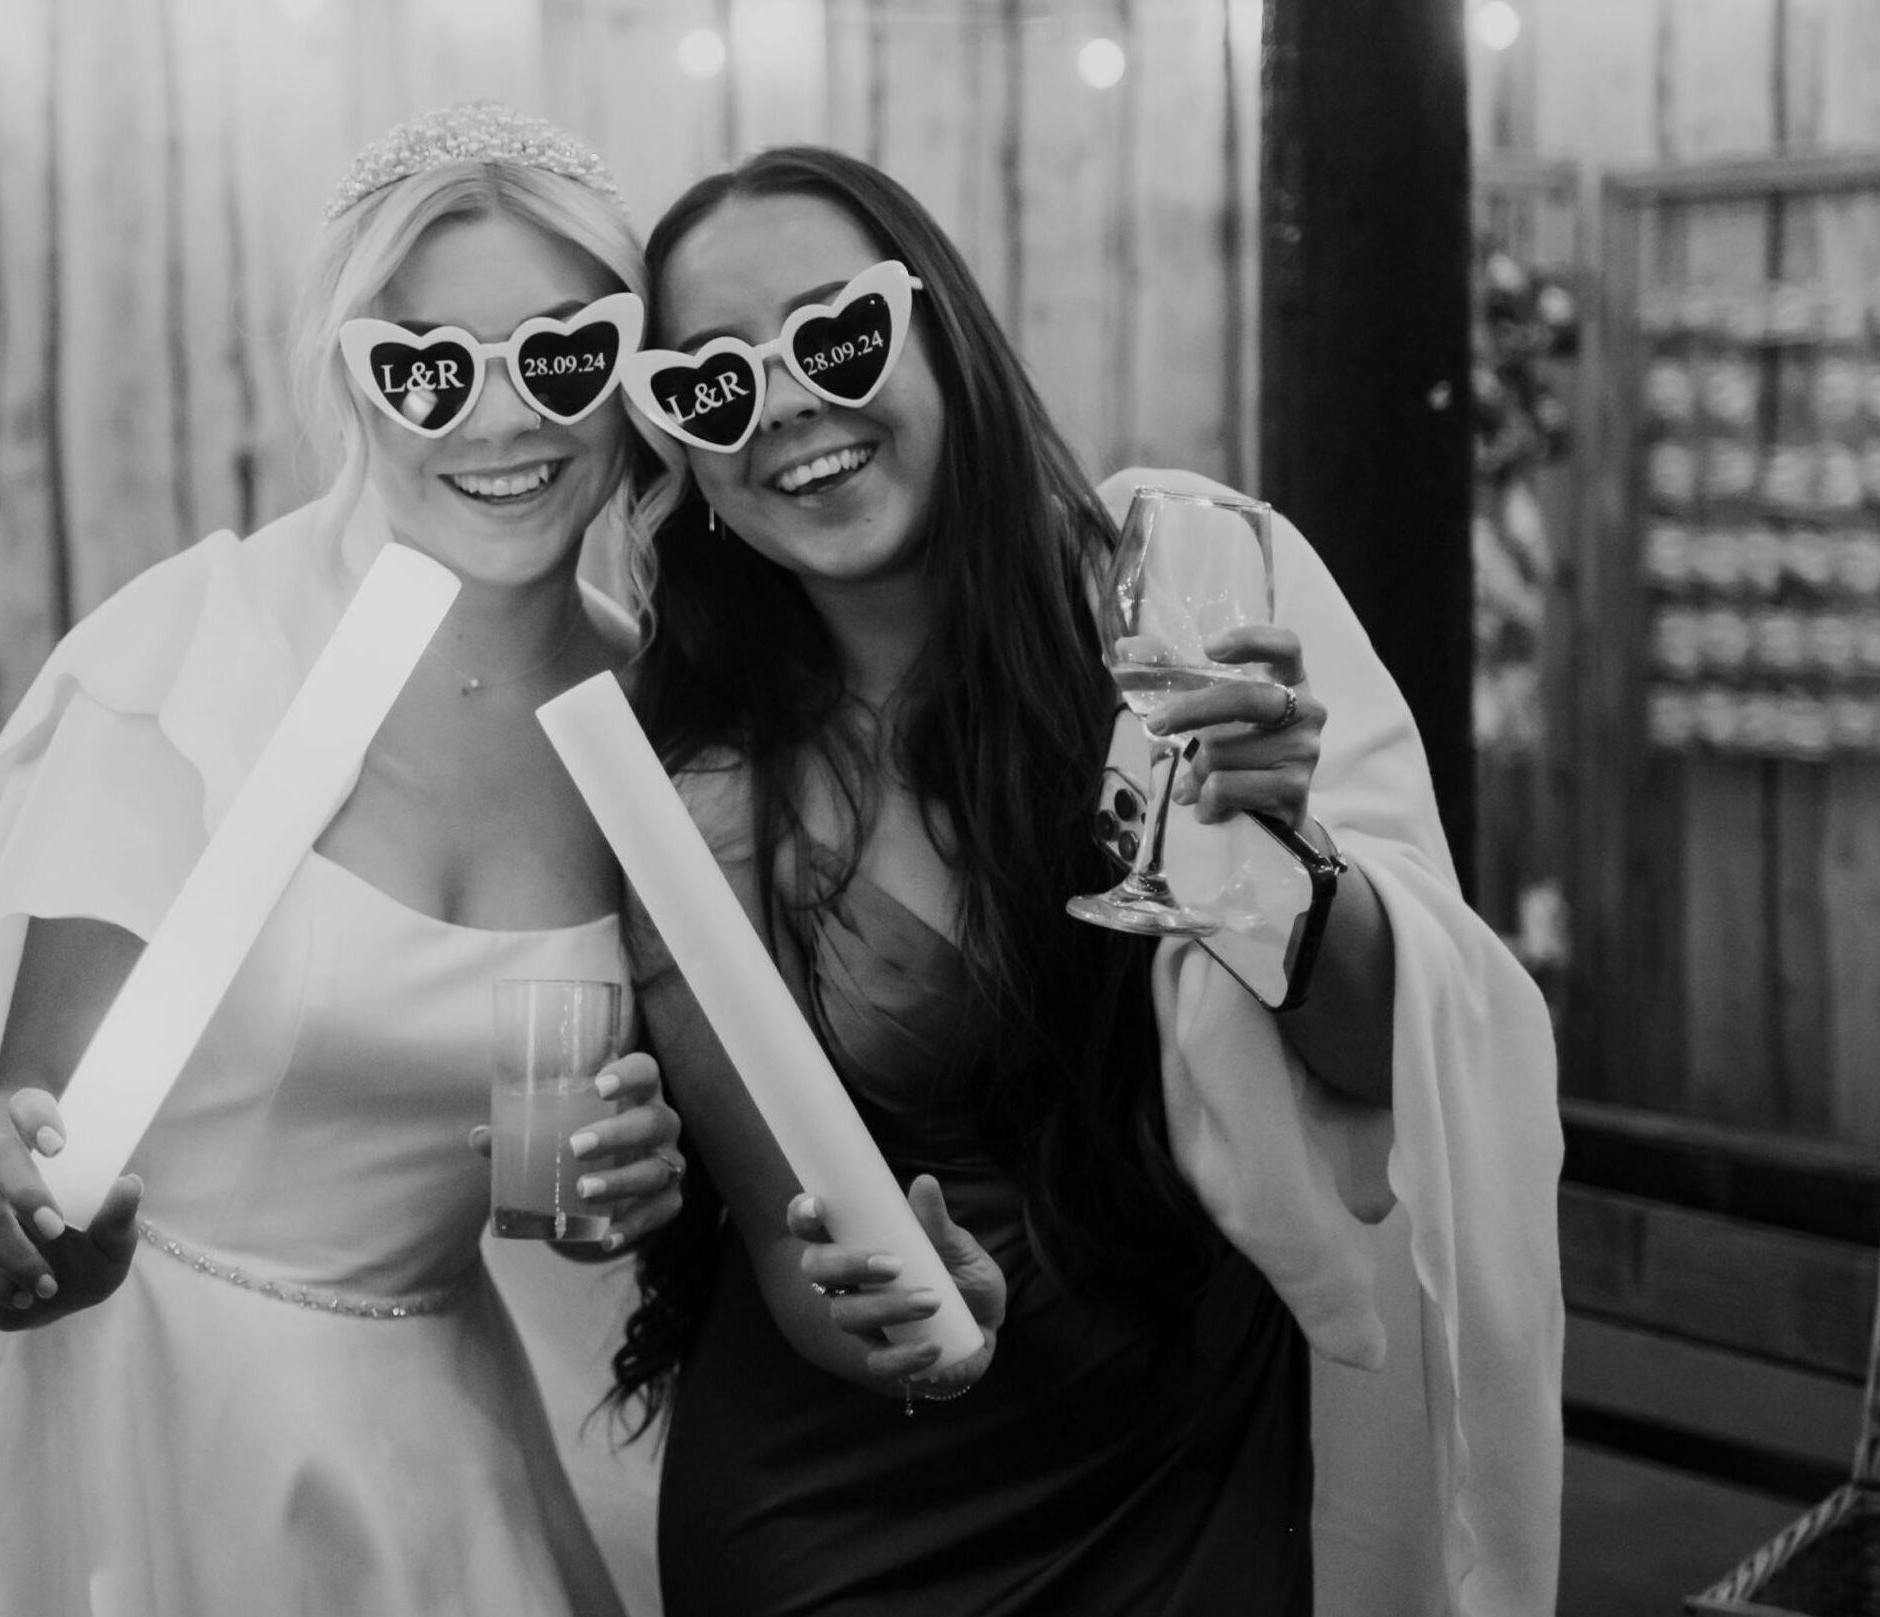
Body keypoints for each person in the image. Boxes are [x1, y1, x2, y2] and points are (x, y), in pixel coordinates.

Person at [0, 104, 686, 1617]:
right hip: (134, 1408)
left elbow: (553, 1186)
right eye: (427, 370)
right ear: (355, 386)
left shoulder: (656, 725)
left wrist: (611, 1194)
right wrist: (23, 1223)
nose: (500, 421)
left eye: (562, 355)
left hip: (432, 1430)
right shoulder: (200, 653)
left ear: (632, 376)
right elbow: (36, 1137)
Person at [611, 146, 1563, 1615]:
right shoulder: (697, 790)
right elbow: (790, 1240)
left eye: (834, 334)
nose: (786, 402)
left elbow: (1396, 1062)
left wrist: (1278, 863)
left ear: (946, 338)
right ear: (688, 454)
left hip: (1195, 1463)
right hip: (845, 1519)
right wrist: (907, 1311)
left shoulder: (1186, 592)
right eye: (713, 385)